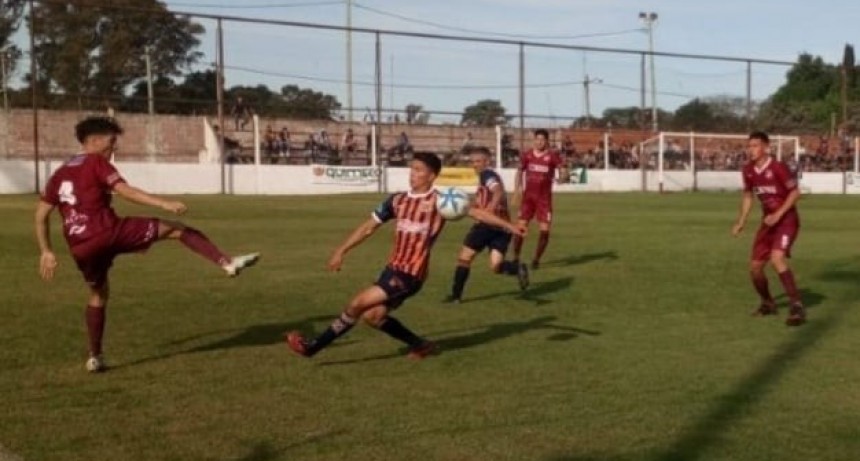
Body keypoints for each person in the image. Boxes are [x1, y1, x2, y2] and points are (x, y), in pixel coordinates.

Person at [35, 116, 260, 372]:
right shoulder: (96, 162)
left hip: (80, 247)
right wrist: (163, 203)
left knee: (98, 294)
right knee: (177, 229)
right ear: (94, 141)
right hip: (109, 232)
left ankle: (95, 356)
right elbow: (125, 191)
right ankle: (226, 262)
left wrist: (46, 251)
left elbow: (40, 215)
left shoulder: (60, 173)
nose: (114, 147)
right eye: (111, 141)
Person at [285, 152, 524, 359]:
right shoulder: (397, 200)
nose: (413, 174)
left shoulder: (441, 201)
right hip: (392, 268)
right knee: (373, 316)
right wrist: (341, 250)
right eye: (412, 169)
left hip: (411, 273)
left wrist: (510, 227)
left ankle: (312, 347)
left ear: (432, 176)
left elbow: (478, 213)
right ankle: (421, 345)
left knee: (356, 304)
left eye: (419, 170)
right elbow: (368, 226)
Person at [731, 131, 805, 326]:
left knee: (776, 258)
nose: (751, 150)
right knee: (755, 268)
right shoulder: (748, 170)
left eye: (755, 146)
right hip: (768, 222)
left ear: (766, 147)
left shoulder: (778, 167)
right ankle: (768, 303)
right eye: (749, 146)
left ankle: (796, 306)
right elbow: (748, 196)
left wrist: (778, 214)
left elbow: (795, 193)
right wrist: (741, 221)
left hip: (787, 220)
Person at [444, 146, 529, 303]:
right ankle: (516, 268)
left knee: (471, 260)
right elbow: (490, 195)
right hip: (501, 227)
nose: (474, 165)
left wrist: (490, 208)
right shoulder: (486, 178)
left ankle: (456, 296)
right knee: (488, 263)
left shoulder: (487, 174)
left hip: (491, 226)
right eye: (472, 162)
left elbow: (498, 191)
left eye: (478, 161)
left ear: (487, 162)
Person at [511, 129, 568, 270]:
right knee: (520, 227)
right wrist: (517, 189)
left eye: (542, 139)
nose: (539, 142)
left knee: (544, 230)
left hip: (544, 200)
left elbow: (564, 170)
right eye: (537, 139)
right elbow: (519, 171)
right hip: (528, 199)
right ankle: (515, 258)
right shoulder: (527, 155)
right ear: (534, 140)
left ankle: (536, 259)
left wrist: (562, 178)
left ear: (547, 141)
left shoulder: (552, 156)